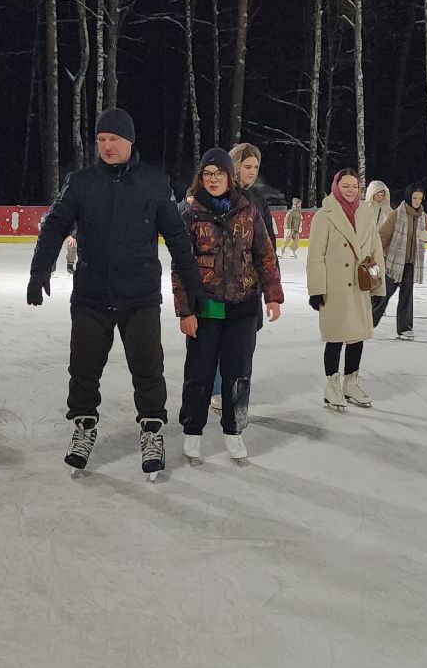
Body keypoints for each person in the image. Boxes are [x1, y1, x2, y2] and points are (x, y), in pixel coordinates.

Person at [28, 107, 206, 477]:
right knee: (83, 368)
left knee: (148, 369)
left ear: (129, 141)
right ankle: (83, 426)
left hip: (139, 296)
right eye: (101, 140)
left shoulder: (155, 183)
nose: (106, 146)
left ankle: (153, 429)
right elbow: (54, 225)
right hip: (92, 295)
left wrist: (192, 283)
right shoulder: (80, 182)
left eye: (113, 139)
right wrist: (39, 268)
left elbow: (176, 237)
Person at [174, 148, 283, 463]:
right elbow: (181, 267)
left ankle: (233, 431)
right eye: (207, 174)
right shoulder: (190, 213)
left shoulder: (247, 210)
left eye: (218, 174)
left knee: (238, 374)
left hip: (242, 309)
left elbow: (264, 254)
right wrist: (185, 311)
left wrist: (272, 295)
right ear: (201, 177)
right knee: (199, 374)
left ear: (228, 177)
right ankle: (192, 431)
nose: (213, 179)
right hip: (205, 309)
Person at [307, 169, 386, 412]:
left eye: (354, 186)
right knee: (335, 338)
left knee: (356, 337)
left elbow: (375, 251)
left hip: (360, 285)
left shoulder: (366, 213)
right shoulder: (325, 215)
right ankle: (332, 385)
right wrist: (316, 289)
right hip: (335, 287)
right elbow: (315, 256)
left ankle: (351, 382)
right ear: (336, 186)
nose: (351, 190)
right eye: (345, 186)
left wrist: (378, 287)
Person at [212, 142, 273, 414]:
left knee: (244, 340)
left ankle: (235, 387)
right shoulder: (217, 195)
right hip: (218, 284)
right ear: (235, 166)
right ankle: (216, 389)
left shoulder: (258, 200)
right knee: (215, 338)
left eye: (256, 167)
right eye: (247, 166)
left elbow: (268, 243)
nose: (252, 172)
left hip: (250, 286)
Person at [376, 183, 427, 339]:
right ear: (408, 197)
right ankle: (367, 322)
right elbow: (382, 236)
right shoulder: (396, 215)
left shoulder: (424, 218)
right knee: (383, 294)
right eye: (414, 197)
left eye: (420, 198)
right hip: (393, 262)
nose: (417, 201)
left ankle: (405, 329)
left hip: (411, 264)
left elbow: (421, 239)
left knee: (407, 296)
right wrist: (380, 256)